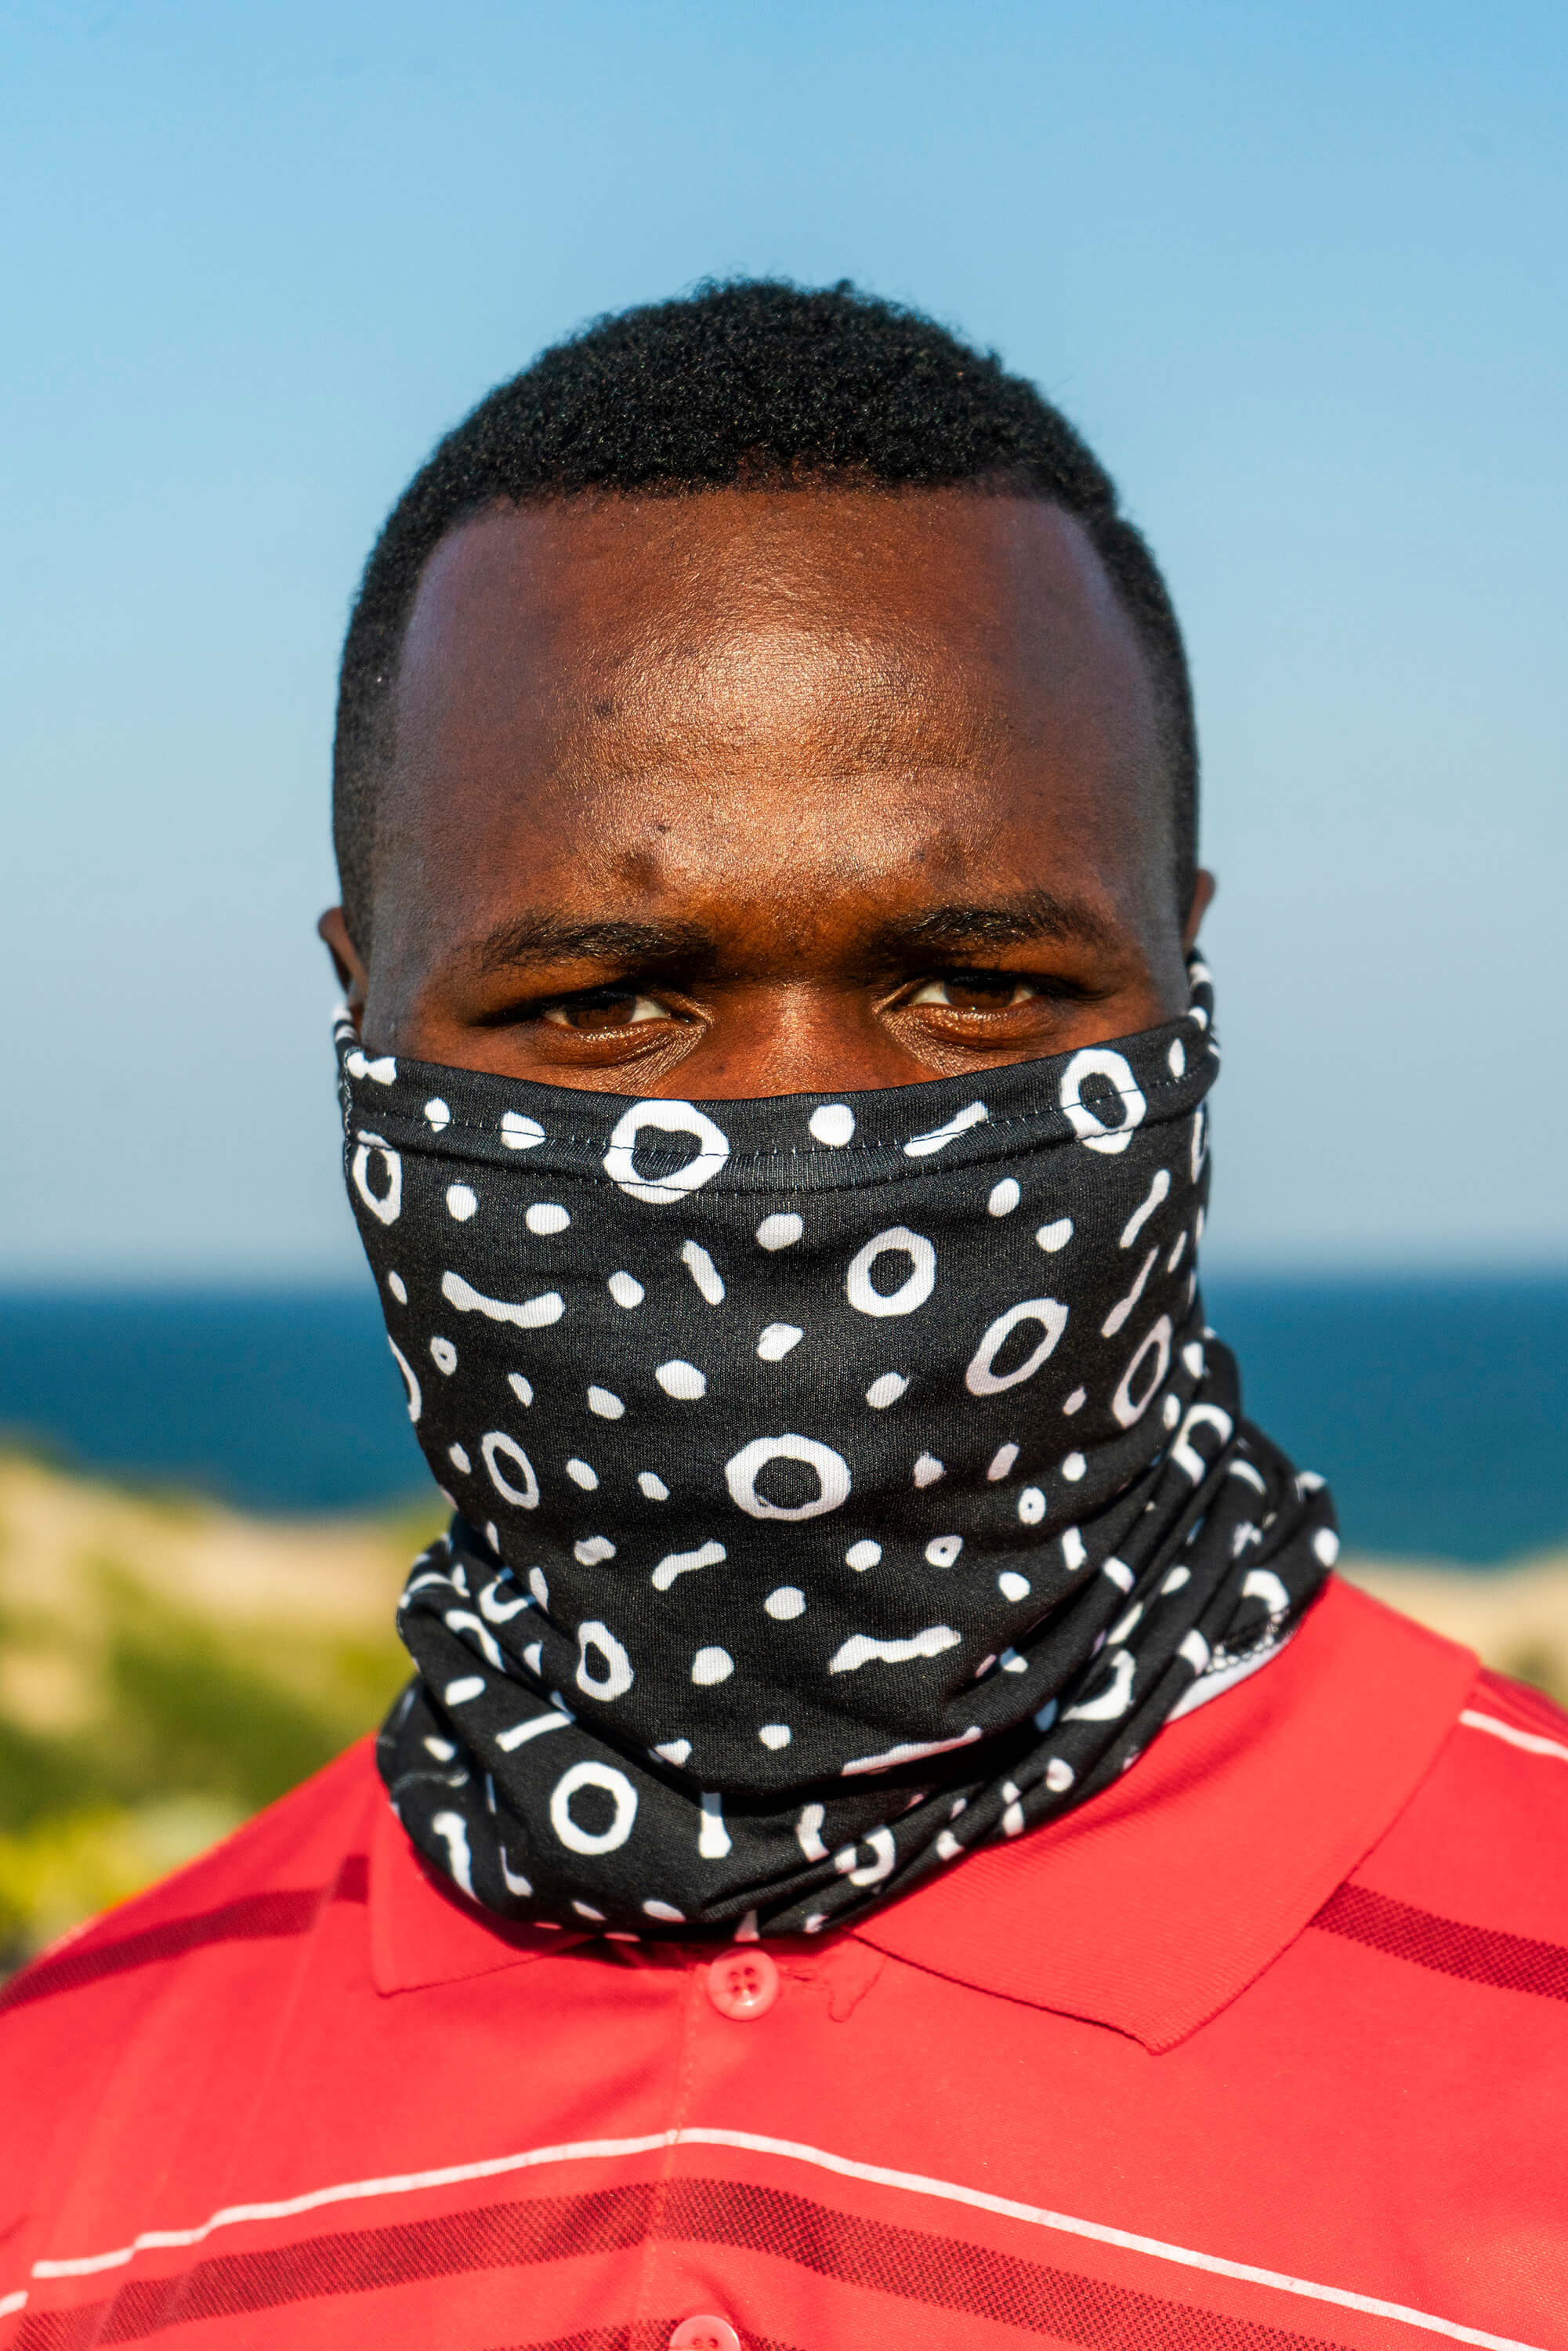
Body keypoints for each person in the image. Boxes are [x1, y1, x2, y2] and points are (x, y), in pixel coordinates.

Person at [2, 281, 1564, 2351]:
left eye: (978, 983)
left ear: (1178, 989)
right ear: (363, 1009)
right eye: (599, 1007)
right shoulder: (57, 2144)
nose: (799, 1143)